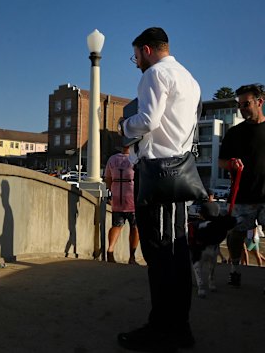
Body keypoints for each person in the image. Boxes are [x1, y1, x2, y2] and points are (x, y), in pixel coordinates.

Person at [117, 27, 201, 351]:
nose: (135, 61)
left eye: (135, 55)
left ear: (147, 50)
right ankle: (178, 327)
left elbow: (148, 120)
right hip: (178, 172)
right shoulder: (189, 79)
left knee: (161, 253)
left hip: (158, 173)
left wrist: (124, 126)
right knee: (177, 252)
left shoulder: (155, 74)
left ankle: (163, 329)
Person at [218, 83, 265, 288]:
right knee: (235, 235)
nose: (242, 109)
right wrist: (231, 164)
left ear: (260, 102)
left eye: (246, 104)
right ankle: (234, 270)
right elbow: (221, 161)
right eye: (239, 105)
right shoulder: (234, 133)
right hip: (243, 195)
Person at [104, 145, 139, 264]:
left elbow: (107, 179)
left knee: (116, 225)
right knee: (135, 227)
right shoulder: (136, 159)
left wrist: (112, 191)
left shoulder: (112, 159)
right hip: (132, 197)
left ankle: (110, 250)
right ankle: (132, 257)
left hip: (117, 197)